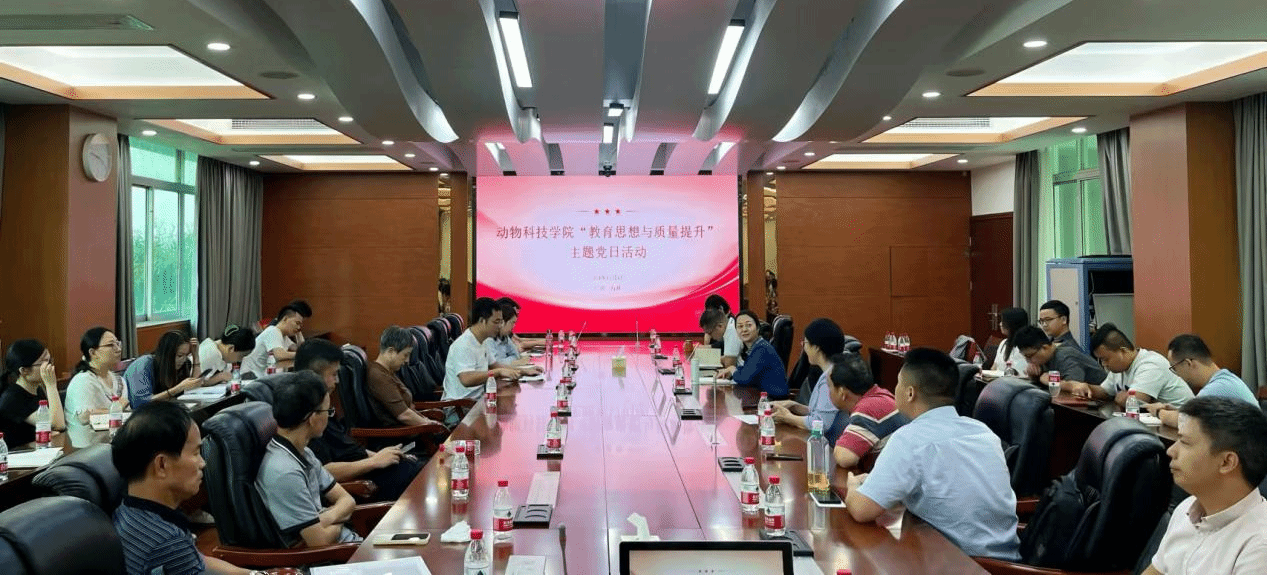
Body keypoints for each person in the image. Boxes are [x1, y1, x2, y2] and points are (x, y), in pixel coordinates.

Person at [844, 348, 1020, 561]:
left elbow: (861, 510)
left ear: (910, 393)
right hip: (1008, 558)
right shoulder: (983, 432)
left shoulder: (909, 439)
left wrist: (852, 486)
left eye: (898, 383)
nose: (894, 389)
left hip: (964, 563)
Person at [111, 400, 259, 575]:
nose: (202, 463)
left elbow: (198, 560)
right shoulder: (167, 543)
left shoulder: (129, 509)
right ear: (162, 465)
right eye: (196, 453)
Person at [1142, 397, 1266, 575]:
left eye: (1185, 442)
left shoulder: (1259, 546)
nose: (1171, 451)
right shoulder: (1186, 509)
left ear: (1226, 462)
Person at [294, 339, 423, 501]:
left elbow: (348, 448)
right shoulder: (307, 416)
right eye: (334, 374)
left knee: (420, 468)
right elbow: (323, 471)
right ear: (314, 376)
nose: (337, 381)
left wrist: (386, 456)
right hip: (358, 484)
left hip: (366, 468)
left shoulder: (324, 406)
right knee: (422, 479)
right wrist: (374, 461)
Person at [257, 370, 361, 547]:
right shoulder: (284, 473)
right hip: (337, 555)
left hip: (348, 544)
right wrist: (339, 520)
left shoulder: (305, 453)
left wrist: (325, 519)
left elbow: (348, 501)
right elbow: (319, 541)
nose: (329, 416)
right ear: (312, 418)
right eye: (328, 411)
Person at [1147, 334, 1258, 429]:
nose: (1177, 375)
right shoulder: (1226, 379)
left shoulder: (1216, 387)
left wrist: (1158, 412)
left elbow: (1185, 421)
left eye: (1174, 368)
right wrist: (1177, 410)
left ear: (1188, 363)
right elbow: (1198, 415)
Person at [1072, 323, 1193, 409]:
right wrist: (1087, 387)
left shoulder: (1151, 364)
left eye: (1105, 359)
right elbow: (1105, 392)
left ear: (1123, 351)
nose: (1104, 364)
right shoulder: (1118, 369)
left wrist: (1124, 397)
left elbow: (1134, 401)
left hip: (1183, 420)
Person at [824, 352, 908, 470]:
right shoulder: (880, 395)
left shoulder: (869, 408)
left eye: (830, 386)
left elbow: (845, 458)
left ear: (842, 392)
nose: (828, 392)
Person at [770, 318, 847, 444]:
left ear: (816, 347)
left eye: (805, 342)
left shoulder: (830, 380)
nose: (803, 346)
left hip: (827, 447)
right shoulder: (829, 372)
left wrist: (788, 417)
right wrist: (795, 406)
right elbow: (824, 413)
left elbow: (821, 424)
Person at [441, 297, 530, 403]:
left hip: (479, 399)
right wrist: (498, 372)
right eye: (496, 322)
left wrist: (524, 371)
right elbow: (466, 379)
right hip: (461, 406)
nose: (500, 326)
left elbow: (495, 365)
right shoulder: (463, 344)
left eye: (501, 322)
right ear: (482, 321)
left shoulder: (483, 341)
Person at [367, 326, 445, 429]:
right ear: (391, 351)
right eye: (405, 355)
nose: (407, 360)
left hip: (411, 428)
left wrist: (427, 421)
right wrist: (432, 425)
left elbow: (407, 409)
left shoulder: (388, 371)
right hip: (400, 434)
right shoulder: (378, 376)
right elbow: (404, 415)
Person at [65, 327, 127, 447]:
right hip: (87, 450)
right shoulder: (83, 380)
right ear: (93, 352)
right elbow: (84, 417)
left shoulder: (119, 381)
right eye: (111, 345)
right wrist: (117, 408)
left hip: (114, 445)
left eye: (118, 343)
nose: (118, 349)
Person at [0, 339, 66, 446]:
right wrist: (51, 385)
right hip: (19, 453)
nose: (50, 367)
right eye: (44, 362)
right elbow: (58, 424)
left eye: (50, 361)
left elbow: (55, 428)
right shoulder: (12, 398)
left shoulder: (38, 389)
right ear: (24, 371)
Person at [716, 310, 789, 399]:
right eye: (740, 326)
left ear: (758, 328)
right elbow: (747, 370)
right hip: (761, 397)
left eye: (749, 325)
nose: (744, 329)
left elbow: (745, 378)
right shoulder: (755, 347)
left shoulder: (762, 349)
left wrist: (732, 370)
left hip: (773, 400)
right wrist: (733, 371)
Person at [124, 330, 204, 408]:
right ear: (167, 353)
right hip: (140, 412)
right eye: (180, 355)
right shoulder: (144, 364)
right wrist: (178, 388)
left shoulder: (185, 363)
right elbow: (140, 403)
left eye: (186, 355)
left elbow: (195, 386)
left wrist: (195, 356)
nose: (183, 360)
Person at [1012, 325, 1106, 387]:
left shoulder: (1065, 355)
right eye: (1025, 357)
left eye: (1029, 356)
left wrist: (1048, 380)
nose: (1028, 361)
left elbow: (1075, 386)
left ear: (1044, 348)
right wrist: (1034, 376)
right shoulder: (1044, 358)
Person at [242, 304, 305, 376]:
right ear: (285, 319)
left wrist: (298, 332)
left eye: (300, 325)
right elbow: (280, 355)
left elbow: (301, 348)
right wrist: (302, 354)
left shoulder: (283, 335)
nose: (299, 327)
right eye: (297, 323)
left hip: (261, 375)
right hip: (250, 375)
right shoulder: (273, 331)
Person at [485, 300, 531, 366]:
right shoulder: (488, 339)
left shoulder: (504, 337)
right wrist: (515, 362)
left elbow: (516, 355)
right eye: (512, 322)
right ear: (502, 322)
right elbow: (494, 364)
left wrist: (509, 361)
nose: (514, 326)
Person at [703, 294, 741, 367]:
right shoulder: (728, 323)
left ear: (720, 309)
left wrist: (708, 352)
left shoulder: (732, 326)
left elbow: (729, 362)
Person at [991, 307, 1030, 372]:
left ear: (1013, 324)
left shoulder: (1027, 345)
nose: (1000, 324)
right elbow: (994, 367)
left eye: (1003, 322)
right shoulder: (1003, 343)